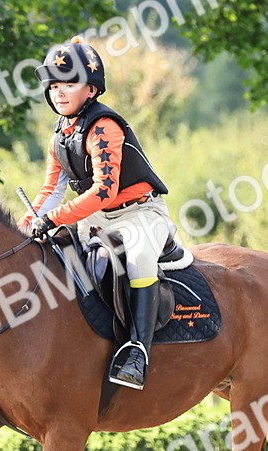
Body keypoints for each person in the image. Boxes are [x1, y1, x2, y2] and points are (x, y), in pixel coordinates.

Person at [18, 36, 177, 390]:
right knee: (51, 249)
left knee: (137, 256)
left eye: (69, 84)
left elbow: (104, 191)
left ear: (90, 90)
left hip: (139, 213)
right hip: (96, 219)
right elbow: (52, 190)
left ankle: (138, 351)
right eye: (53, 85)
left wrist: (55, 217)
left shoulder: (104, 127)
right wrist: (29, 220)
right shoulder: (59, 135)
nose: (59, 93)